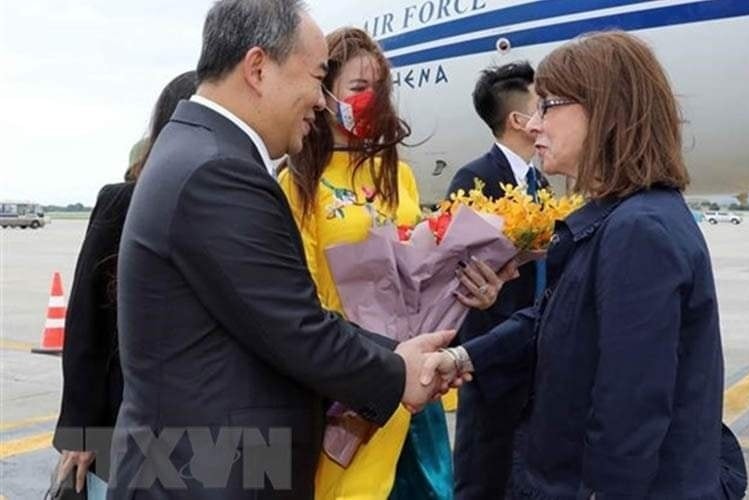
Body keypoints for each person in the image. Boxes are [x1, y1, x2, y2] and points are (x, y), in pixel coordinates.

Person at [108, 2, 457, 499]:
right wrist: (398, 372)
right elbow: (296, 328)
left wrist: (396, 352)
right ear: (257, 69)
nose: (320, 100)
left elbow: (285, 316)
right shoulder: (218, 172)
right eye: (317, 78)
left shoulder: (200, 151)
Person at [424, 31, 748, 499]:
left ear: (603, 109)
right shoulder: (622, 218)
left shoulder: (638, 232)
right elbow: (553, 318)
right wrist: (463, 356)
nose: (533, 125)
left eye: (547, 106)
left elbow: (629, 415)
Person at [279, 27, 512, 500]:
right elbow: (297, 296)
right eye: (359, 89)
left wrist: (475, 293)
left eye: (380, 90)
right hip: (344, 387)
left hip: (413, 388)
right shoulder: (299, 181)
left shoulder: (399, 177)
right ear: (325, 95)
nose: (373, 100)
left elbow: (422, 272)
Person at [52, 70, 197, 493]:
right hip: (124, 413)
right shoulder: (123, 202)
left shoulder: (226, 205)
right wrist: (80, 433)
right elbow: (85, 322)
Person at [446, 61, 548, 500]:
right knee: (483, 474)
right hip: (491, 358)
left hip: (537, 357)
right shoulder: (475, 180)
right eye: (542, 106)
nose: (548, 116)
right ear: (519, 121)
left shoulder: (540, 182)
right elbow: (453, 271)